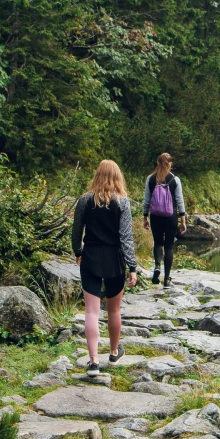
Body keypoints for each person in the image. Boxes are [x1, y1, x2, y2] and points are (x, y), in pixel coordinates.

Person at [71, 159, 137, 376]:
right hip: (114, 260)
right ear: (117, 177)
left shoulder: (84, 201)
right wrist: (132, 266)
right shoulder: (123, 203)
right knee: (114, 310)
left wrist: (78, 252)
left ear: (97, 176)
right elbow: (126, 238)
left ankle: (93, 362)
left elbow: (76, 232)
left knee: (91, 311)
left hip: (90, 257)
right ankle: (114, 351)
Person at [143, 152, 187, 287]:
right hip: (170, 216)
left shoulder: (150, 179)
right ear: (170, 164)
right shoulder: (175, 180)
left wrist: (145, 217)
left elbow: (147, 200)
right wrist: (183, 221)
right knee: (168, 246)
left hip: (155, 215)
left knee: (157, 243)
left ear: (158, 163)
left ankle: (157, 266)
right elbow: (180, 201)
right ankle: (167, 279)